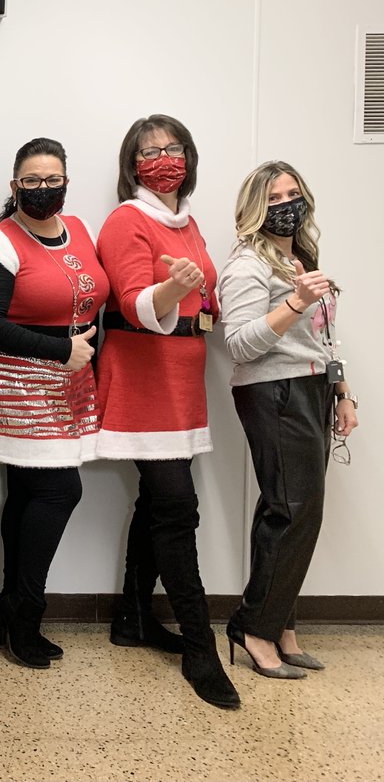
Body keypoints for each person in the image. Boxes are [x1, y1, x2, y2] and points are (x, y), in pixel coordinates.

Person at [95, 114, 240, 709]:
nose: (163, 158)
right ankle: (200, 645)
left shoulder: (189, 223)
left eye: (173, 147)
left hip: (183, 379)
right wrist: (174, 292)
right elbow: (132, 302)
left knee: (158, 503)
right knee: (179, 508)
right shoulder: (126, 220)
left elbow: (203, 295)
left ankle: (131, 617)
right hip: (142, 380)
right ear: (132, 165)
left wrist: (209, 301)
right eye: (149, 150)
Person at [0, 138, 108, 669]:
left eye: (52, 179)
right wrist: (60, 350)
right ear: (14, 186)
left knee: (28, 495)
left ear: (66, 180)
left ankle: (9, 613)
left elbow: (99, 298)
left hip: (71, 381)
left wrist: (85, 357)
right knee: (58, 490)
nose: (43, 189)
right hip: (20, 383)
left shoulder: (83, 232)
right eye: (32, 181)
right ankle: (25, 616)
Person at [218, 161, 358, 678]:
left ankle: (280, 624)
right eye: (273, 196)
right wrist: (296, 302)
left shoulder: (299, 256)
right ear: (255, 207)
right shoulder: (247, 265)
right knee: (292, 511)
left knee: (293, 513)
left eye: (292, 193)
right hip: (274, 391)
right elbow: (239, 344)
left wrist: (343, 391)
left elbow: (324, 339)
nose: (286, 204)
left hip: (313, 388)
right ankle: (255, 629)